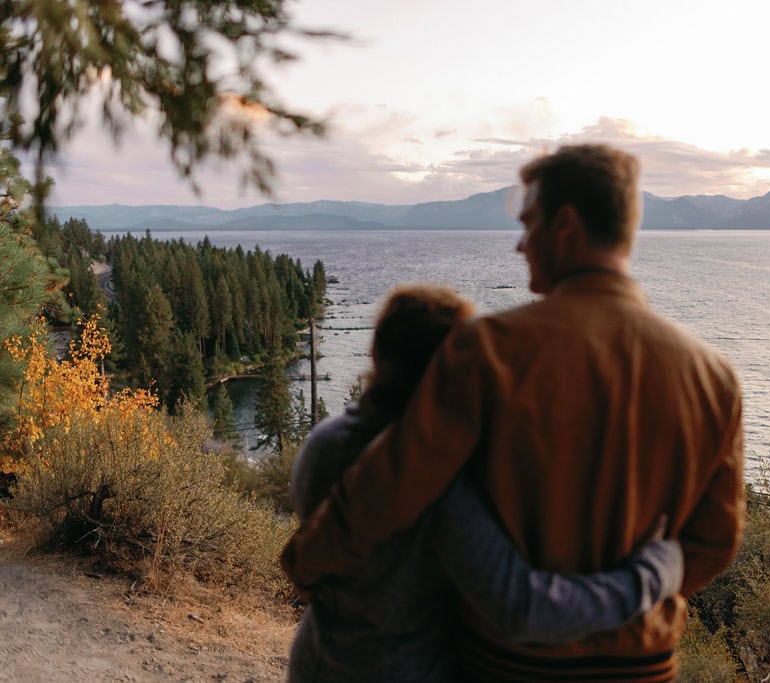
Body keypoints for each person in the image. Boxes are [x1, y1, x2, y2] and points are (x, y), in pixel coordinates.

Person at [282, 145, 746, 682]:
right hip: (644, 666)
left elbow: (396, 482)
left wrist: (306, 560)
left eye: (529, 225)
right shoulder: (714, 378)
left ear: (566, 224)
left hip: (505, 665)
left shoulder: (489, 351)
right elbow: (715, 542)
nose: (521, 245)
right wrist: (636, 594)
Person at [287, 284, 684, 682]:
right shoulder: (436, 484)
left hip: (316, 661)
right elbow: (523, 609)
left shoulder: (324, 442)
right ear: (459, 368)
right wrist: (653, 573)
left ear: (376, 353)